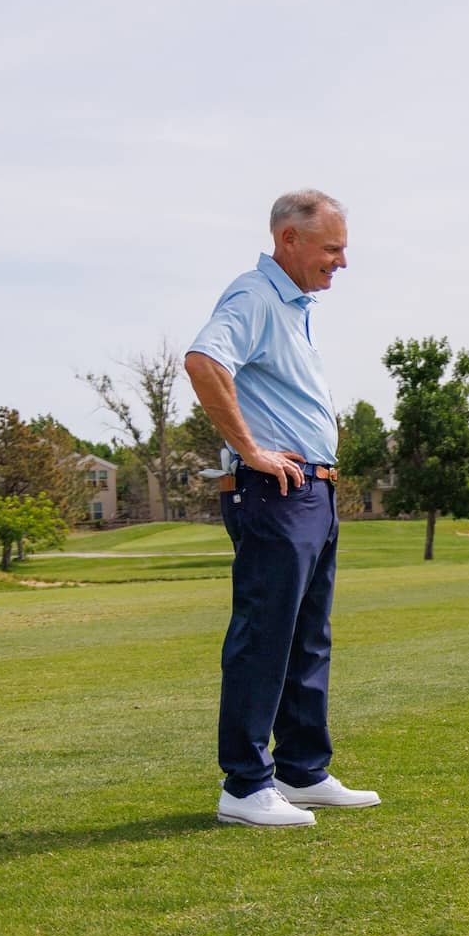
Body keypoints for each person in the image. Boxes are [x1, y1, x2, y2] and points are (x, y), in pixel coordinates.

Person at [182, 190, 383, 828]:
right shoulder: (254, 295)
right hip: (275, 491)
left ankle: (302, 772)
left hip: (311, 492)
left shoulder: (293, 306)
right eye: (332, 248)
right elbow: (203, 361)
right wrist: (252, 451)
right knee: (265, 636)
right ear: (289, 240)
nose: (341, 263)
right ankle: (245, 786)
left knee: (308, 638)